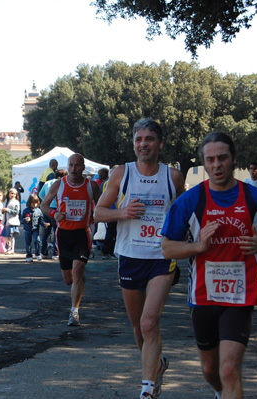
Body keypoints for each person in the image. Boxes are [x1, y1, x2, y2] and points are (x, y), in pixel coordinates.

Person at [161, 131, 257, 399]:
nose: (216, 165)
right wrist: (198, 246)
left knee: (229, 369)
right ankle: (222, 393)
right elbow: (167, 248)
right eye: (210, 160)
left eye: (222, 158)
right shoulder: (189, 200)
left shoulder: (256, 198)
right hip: (203, 297)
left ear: (233, 160)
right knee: (210, 370)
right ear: (204, 163)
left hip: (240, 294)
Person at [95, 118, 185, 399]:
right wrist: (122, 213)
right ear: (133, 144)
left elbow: (184, 214)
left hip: (161, 257)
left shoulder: (173, 177)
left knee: (149, 323)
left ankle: (147, 389)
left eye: (149, 139)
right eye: (138, 139)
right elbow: (98, 213)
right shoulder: (122, 174)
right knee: (137, 328)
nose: (143, 144)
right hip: (130, 256)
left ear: (159, 143)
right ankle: (156, 366)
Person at [41, 153, 100, 327]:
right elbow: (43, 205)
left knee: (78, 270)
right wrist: (54, 213)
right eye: (71, 165)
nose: (74, 169)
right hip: (64, 235)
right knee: (69, 279)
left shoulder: (92, 186)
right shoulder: (59, 185)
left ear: (83, 167)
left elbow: (101, 205)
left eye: (77, 165)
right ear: (67, 167)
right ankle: (78, 282)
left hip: (82, 233)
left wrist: (98, 216)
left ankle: (74, 312)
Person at [38, 169, 68, 260]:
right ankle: (56, 252)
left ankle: (43, 252)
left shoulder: (47, 183)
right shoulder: (62, 183)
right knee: (57, 231)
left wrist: (47, 201)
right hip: (56, 209)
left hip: (46, 209)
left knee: (47, 231)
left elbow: (40, 194)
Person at [20, 194, 48, 262]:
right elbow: (21, 220)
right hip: (27, 229)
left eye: (36, 203)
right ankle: (29, 255)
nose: (34, 204)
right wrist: (25, 220)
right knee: (28, 243)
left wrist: (44, 224)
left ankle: (37, 254)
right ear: (29, 203)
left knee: (37, 240)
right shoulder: (25, 211)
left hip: (36, 229)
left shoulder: (38, 211)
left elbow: (41, 220)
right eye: (33, 203)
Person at [2, 187, 21, 255]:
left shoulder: (16, 202)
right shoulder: (6, 201)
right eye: (11, 193)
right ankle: (9, 246)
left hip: (12, 221)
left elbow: (16, 212)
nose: (13, 195)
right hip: (6, 221)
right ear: (8, 193)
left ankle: (12, 249)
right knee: (3, 235)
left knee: (11, 236)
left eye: (14, 194)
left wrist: (7, 210)